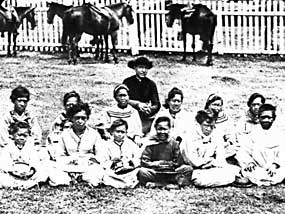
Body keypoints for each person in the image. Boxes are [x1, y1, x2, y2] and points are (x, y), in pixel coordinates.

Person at [47, 102, 105, 186]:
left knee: (98, 171)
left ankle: (82, 178)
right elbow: (59, 155)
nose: (80, 121)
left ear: (87, 119)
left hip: (87, 166)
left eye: (83, 118)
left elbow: (100, 154)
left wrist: (91, 160)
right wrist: (70, 159)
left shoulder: (94, 134)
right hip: (68, 165)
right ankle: (69, 179)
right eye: (77, 118)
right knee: (51, 167)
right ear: (72, 119)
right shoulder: (64, 134)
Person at [180, 110, 240, 187]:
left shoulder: (216, 134)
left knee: (235, 170)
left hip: (211, 167)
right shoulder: (190, 137)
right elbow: (194, 162)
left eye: (212, 126)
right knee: (200, 180)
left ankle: (225, 179)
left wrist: (213, 163)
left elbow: (221, 160)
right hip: (194, 169)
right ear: (198, 124)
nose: (209, 129)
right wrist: (210, 161)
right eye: (206, 125)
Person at [235, 104, 285, 186]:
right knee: (248, 171)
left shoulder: (279, 134)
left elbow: (283, 152)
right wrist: (249, 162)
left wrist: (275, 165)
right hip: (258, 167)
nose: (266, 120)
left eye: (269, 117)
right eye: (263, 117)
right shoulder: (253, 133)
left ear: (273, 119)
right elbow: (244, 150)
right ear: (259, 118)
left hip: (275, 168)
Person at [137, 116, 192, 188]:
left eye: (165, 129)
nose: (162, 132)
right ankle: (168, 184)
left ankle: (158, 184)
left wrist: (168, 164)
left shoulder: (174, 143)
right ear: (156, 129)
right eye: (160, 129)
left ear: (169, 129)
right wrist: (155, 164)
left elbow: (178, 161)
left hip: (171, 172)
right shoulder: (150, 143)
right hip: (156, 172)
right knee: (142, 172)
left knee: (188, 169)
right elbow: (144, 161)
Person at [0, 121, 48, 189]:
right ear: (13, 135)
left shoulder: (30, 147)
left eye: (25, 136)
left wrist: (31, 171)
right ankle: (16, 185)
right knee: (2, 177)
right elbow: (5, 164)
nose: (22, 138)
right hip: (13, 174)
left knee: (43, 171)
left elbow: (35, 162)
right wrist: (13, 172)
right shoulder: (8, 147)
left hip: (28, 174)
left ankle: (32, 184)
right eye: (19, 135)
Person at [95, 119, 141, 188]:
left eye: (122, 132)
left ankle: (127, 182)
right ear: (112, 132)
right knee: (104, 173)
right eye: (117, 132)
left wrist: (129, 163)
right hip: (113, 171)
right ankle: (117, 182)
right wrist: (114, 164)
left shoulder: (131, 144)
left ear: (126, 133)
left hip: (129, 170)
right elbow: (103, 160)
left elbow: (138, 157)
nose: (120, 134)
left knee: (138, 171)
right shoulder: (106, 145)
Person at [123, 56, 161, 135]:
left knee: (145, 133)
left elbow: (156, 104)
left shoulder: (151, 84)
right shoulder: (127, 82)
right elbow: (123, 100)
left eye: (146, 68)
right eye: (140, 67)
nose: (143, 70)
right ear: (135, 68)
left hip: (144, 116)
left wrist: (149, 109)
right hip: (129, 114)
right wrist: (137, 104)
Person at [204, 94, 236, 158]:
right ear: (208, 105)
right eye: (214, 105)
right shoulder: (201, 116)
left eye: (219, 105)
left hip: (222, 146)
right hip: (206, 145)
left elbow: (229, 134)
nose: (217, 108)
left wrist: (229, 141)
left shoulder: (225, 118)